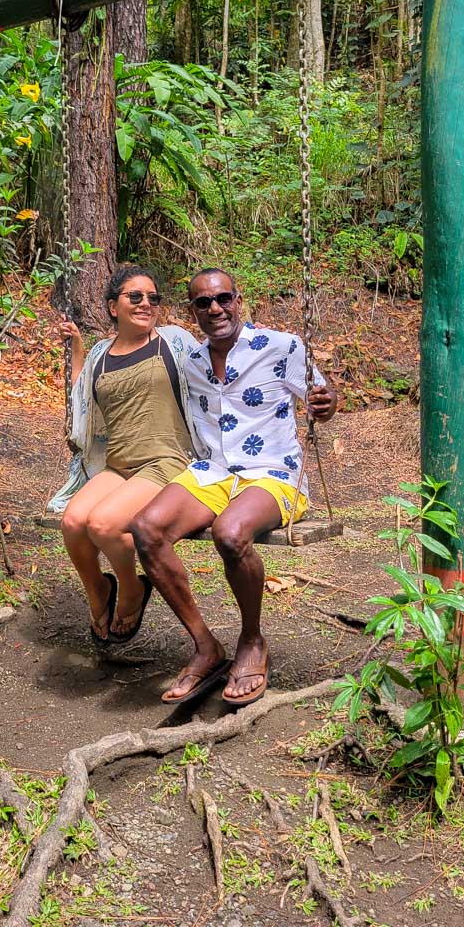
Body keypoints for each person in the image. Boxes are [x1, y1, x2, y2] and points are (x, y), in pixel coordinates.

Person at [131, 267, 338, 707]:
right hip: (214, 471)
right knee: (146, 529)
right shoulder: (194, 362)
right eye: (203, 303)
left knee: (230, 532)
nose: (215, 308)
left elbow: (323, 394)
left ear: (237, 299)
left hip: (273, 472)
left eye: (223, 298)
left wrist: (327, 402)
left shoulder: (281, 347)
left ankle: (251, 641)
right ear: (193, 311)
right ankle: (206, 646)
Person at [49, 265, 208, 646]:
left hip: (167, 460)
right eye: (134, 297)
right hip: (118, 464)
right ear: (112, 306)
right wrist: (75, 350)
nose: (145, 304)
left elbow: (215, 373)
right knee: (73, 521)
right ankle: (98, 592)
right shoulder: (102, 355)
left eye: (153, 298)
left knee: (103, 525)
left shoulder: (173, 342)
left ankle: (131, 588)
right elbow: (82, 399)